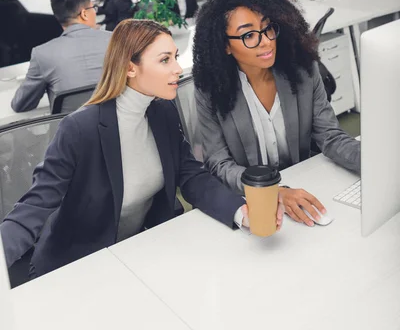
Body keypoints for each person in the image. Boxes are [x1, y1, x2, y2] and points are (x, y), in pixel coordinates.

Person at [0, 19, 277, 278]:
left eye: (175, 57)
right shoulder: (80, 128)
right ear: (130, 68)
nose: (178, 69)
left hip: (142, 251)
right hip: (80, 265)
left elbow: (192, 176)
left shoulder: (162, 112)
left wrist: (240, 212)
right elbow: (36, 205)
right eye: (164, 60)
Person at [193, 0, 361, 228]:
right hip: (256, 208)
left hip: (306, 189)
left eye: (268, 27)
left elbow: (331, 137)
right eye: (248, 35)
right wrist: (272, 191)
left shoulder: (303, 70)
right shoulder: (211, 90)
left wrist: (376, 162)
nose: (265, 41)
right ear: (225, 45)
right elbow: (219, 164)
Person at [11, 0, 111, 113]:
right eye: (94, 8)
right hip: (119, 128)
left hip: (73, 132)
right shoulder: (117, 40)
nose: (95, 12)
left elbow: (20, 104)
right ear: (84, 14)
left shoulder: (42, 54)